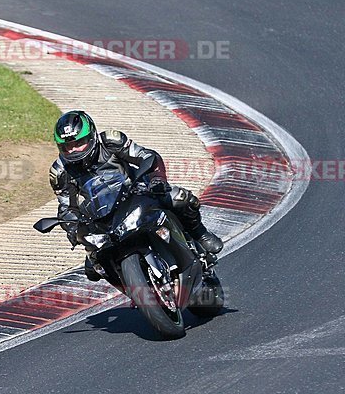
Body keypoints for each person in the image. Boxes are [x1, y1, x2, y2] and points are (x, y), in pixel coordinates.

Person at [48, 110, 223, 282]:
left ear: (91, 136)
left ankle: (200, 233)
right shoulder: (59, 171)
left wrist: (156, 180)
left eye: (79, 143)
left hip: (136, 193)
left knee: (182, 198)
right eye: (67, 147)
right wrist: (72, 226)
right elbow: (66, 206)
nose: (74, 151)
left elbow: (146, 155)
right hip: (100, 217)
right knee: (93, 270)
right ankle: (134, 287)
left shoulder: (110, 141)